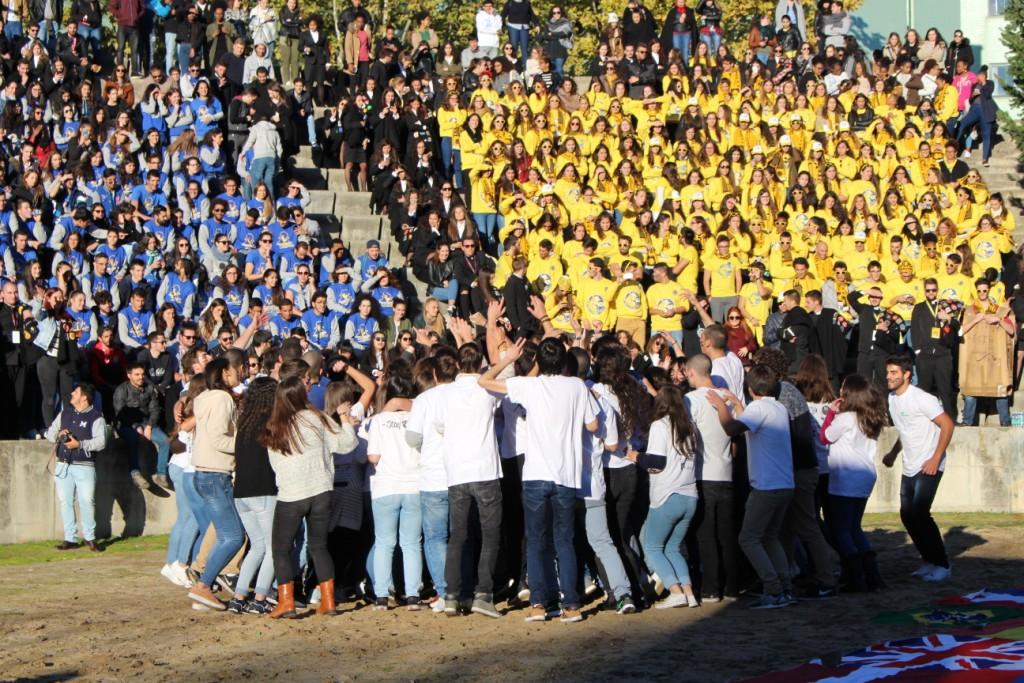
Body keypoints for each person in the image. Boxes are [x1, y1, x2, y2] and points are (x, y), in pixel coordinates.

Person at [479, 337, 599, 623]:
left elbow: (484, 381)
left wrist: (509, 359)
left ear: (538, 362)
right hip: (567, 475)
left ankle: (539, 604)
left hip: (535, 475)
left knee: (537, 541)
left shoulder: (529, 385)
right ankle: (571, 605)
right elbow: (593, 425)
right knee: (565, 541)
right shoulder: (577, 387)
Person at [262, 373, 358, 617]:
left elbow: (274, 464)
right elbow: (347, 444)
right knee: (319, 546)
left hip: (292, 494)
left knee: (281, 549)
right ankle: (328, 600)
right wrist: (345, 418)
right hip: (321, 490)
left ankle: (286, 602)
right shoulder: (317, 419)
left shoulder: (275, 426)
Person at [707, 364, 795, 609]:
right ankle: (785, 587)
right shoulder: (777, 407)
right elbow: (752, 421)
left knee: (748, 538)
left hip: (767, 486)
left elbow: (732, 428)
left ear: (750, 388)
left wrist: (722, 407)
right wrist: (736, 404)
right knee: (769, 537)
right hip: (785, 484)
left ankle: (773, 589)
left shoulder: (758, 409)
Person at [431, 342, 504, 617]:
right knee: (490, 534)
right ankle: (483, 594)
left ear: (459, 365)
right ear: (481, 364)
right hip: (484, 469)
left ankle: (451, 594)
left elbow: (440, 427)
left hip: (457, 472)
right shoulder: (487, 388)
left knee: (457, 536)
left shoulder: (445, 393)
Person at [882, 355, 954, 582]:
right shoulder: (892, 398)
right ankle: (929, 560)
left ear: (906, 374)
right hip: (909, 464)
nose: (889, 377)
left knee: (921, 513)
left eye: (894, 372)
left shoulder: (922, 398)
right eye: (888, 372)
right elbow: (905, 430)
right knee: (907, 515)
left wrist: (936, 458)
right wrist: (893, 453)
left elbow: (948, 425)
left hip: (929, 463)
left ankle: (942, 564)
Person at [819, 374, 886, 592]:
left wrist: (831, 413)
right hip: (865, 476)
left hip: (846, 477)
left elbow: (825, 437)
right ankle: (872, 575)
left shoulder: (847, 418)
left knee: (841, 530)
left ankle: (855, 577)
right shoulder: (870, 416)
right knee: (854, 527)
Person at [187, 357, 244, 611]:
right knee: (233, 536)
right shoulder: (222, 399)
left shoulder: (206, 398)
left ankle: (205, 585)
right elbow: (220, 439)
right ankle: (204, 584)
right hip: (215, 473)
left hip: (206, 473)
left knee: (226, 534)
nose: (238, 371)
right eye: (234, 369)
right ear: (224, 373)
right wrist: (246, 447)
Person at [636, 384, 701, 608]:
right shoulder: (690, 426)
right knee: (673, 547)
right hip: (690, 495)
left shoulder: (660, 426)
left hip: (667, 495)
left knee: (653, 547)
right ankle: (689, 593)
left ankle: (675, 591)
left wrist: (634, 455)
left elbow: (655, 462)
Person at [685, 354, 740, 602]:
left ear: (690, 373)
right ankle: (731, 586)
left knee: (706, 533)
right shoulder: (726, 398)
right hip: (726, 472)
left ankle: (710, 587)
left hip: (703, 472)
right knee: (726, 533)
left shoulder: (690, 400)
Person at [366, 374, 422, 611]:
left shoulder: (378, 421)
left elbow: (373, 457)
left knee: (384, 543)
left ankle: (381, 595)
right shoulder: (418, 416)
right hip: (414, 484)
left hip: (386, 486)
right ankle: (412, 595)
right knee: (411, 544)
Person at [45, 382, 107, 552]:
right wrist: (60, 435)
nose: (72, 393)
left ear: (84, 397)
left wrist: (79, 445)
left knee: (87, 501)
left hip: (84, 466)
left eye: (76, 391)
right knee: (65, 502)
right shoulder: (64, 413)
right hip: (63, 465)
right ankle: (70, 538)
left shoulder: (96, 417)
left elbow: (101, 442)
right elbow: (49, 434)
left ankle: (90, 537)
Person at [958, 280, 1015, 426]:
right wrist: (976, 320)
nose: (982, 293)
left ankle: (1005, 422)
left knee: (1000, 390)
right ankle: (967, 421)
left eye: (984, 290)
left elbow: (1011, 331)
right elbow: (961, 331)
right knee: (970, 390)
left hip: (995, 358)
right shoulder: (970, 310)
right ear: (975, 291)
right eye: (979, 291)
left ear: (989, 290)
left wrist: (999, 320)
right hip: (974, 357)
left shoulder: (999, 310)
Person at [114, 361, 172, 489]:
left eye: (142, 374)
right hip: (126, 424)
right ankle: (135, 473)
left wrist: (150, 425)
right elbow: (120, 412)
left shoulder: (149, 388)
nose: (140, 377)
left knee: (165, 441)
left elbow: (155, 409)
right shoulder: (122, 390)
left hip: (146, 423)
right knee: (133, 439)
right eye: (137, 374)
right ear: (129, 375)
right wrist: (135, 426)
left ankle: (161, 474)